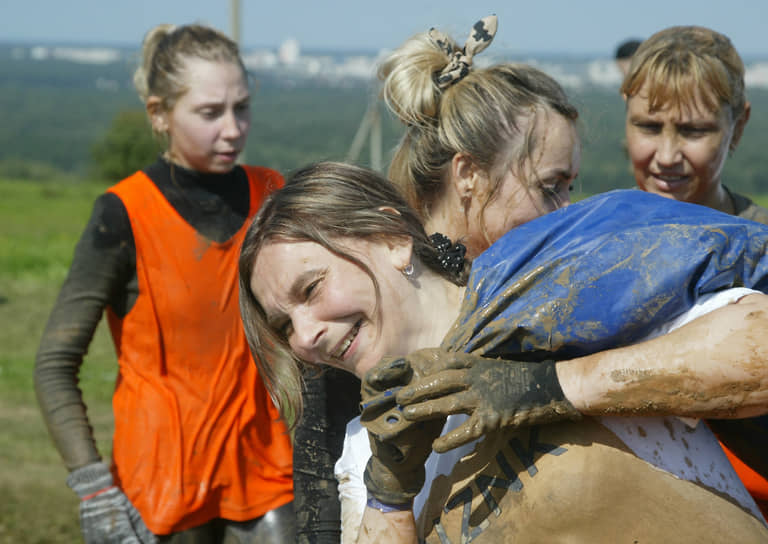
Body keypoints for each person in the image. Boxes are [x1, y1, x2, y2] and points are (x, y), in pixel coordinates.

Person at [289, 16, 768, 539]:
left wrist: (549, 386)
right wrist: (389, 493)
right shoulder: (354, 344)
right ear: (468, 175)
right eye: (551, 187)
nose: (564, 213)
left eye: (569, 188)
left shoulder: (591, 282)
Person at [239, 161, 768, 543]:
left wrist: (547, 388)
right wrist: (393, 491)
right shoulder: (368, 450)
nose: (305, 338)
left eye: (311, 289)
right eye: (284, 325)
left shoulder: (559, 294)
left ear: (390, 236)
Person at [34, 24, 294, 542]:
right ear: (159, 114)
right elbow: (54, 364)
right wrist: (93, 490)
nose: (232, 129)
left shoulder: (274, 194)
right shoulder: (124, 214)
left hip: (268, 476)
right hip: (161, 489)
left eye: (241, 108)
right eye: (209, 112)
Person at [622, 24, 768, 515]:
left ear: (738, 127)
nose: (666, 156)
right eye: (648, 126)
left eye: (693, 131)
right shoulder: (589, 240)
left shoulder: (762, 251)